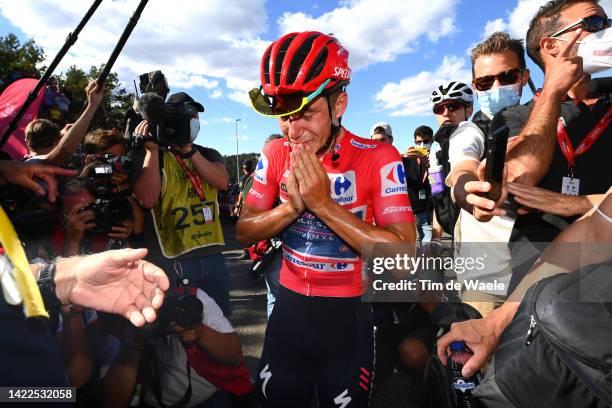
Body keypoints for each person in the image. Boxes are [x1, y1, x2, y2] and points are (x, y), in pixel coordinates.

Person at [237, 31, 416, 407]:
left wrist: (324, 205)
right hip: (288, 312)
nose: (293, 130)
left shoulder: (378, 157)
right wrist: (291, 208)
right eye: (284, 116)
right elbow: (243, 230)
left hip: (347, 318)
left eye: (305, 113)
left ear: (340, 105)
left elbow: (403, 260)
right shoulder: (275, 151)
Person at [0, 159, 170, 386]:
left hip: (108, 319)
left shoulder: (108, 222)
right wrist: (72, 241)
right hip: (69, 330)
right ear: (59, 203)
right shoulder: (43, 232)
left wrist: (122, 232)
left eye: (94, 205)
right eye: (82, 207)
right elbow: (75, 376)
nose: (93, 212)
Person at [484, 0, 611, 292]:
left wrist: (578, 203)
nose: (607, 31)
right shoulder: (513, 116)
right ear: (552, 46)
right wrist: (554, 88)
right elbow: (520, 178)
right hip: (539, 274)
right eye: (595, 25)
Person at [444, 32, 533, 316]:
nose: (496, 87)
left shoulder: (545, 124)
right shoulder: (470, 130)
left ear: (524, 77)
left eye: (506, 77)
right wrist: (468, 192)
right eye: (485, 82)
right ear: (476, 87)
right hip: (486, 282)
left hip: (542, 272)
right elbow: (462, 167)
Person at [132, 92, 232, 316]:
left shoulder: (207, 153)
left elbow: (222, 181)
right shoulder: (151, 155)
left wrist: (189, 151)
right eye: (186, 118)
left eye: (195, 118)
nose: (193, 122)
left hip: (212, 254)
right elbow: (147, 199)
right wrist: (153, 151)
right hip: (172, 260)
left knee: (219, 319)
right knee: (178, 324)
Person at [403, 125, 434, 244]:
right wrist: (404, 157)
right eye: (418, 142)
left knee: (427, 246)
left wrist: (427, 164)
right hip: (410, 210)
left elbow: (437, 182)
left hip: (428, 209)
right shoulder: (407, 158)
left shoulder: (437, 158)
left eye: (426, 141)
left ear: (432, 141)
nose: (421, 145)